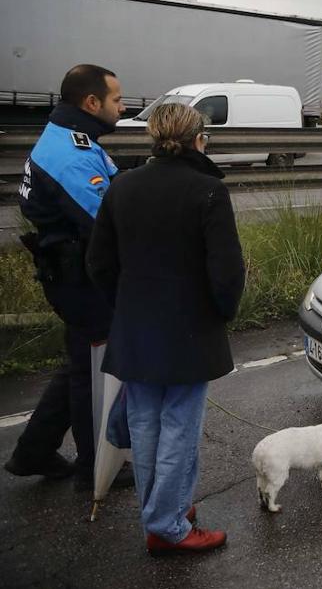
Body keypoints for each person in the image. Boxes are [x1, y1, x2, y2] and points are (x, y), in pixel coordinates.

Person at [86, 103, 245, 556]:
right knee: (179, 427)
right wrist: (221, 313)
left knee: (145, 424)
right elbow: (226, 272)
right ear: (199, 139)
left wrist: (128, 307)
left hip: (136, 328)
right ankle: (167, 524)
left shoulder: (122, 185)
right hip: (188, 331)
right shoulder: (208, 191)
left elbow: (98, 263)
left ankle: (165, 508)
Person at [6, 64, 133, 492]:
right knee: (93, 371)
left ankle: (33, 452)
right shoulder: (71, 154)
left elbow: (114, 189)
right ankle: (92, 467)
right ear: (91, 103)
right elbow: (108, 222)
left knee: (80, 363)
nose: (123, 106)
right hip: (80, 279)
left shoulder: (72, 138)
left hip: (71, 273)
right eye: (117, 100)